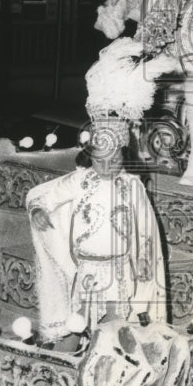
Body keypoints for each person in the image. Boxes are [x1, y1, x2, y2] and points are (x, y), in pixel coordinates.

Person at [26, 118, 167, 343]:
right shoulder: (81, 180)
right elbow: (45, 197)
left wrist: (143, 265)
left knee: (113, 326)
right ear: (91, 155)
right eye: (99, 160)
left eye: (114, 160)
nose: (106, 167)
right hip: (86, 269)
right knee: (77, 323)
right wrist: (37, 211)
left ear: (124, 155)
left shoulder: (132, 186)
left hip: (118, 270)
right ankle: (67, 364)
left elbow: (145, 231)